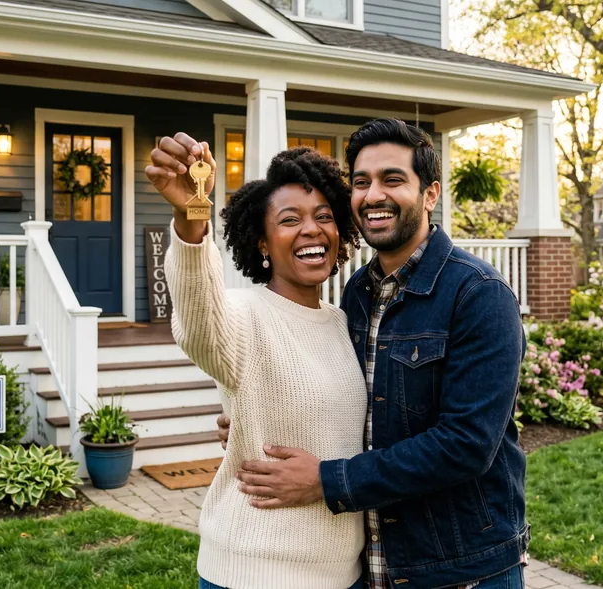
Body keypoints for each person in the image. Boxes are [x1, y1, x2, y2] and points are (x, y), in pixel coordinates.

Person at [222, 118, 529, 589]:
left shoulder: (477, 294)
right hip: (375, 565)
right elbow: (349, 400)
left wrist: (327, 481)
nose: (373, 195)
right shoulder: (357, 296)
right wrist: (260, 415)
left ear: (430, 194)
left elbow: (466, 444)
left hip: (459, 567)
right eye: (361, 182)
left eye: (393, 179)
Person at [147, 134, 367, 589]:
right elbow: (199, 316)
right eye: (290, 220)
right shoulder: (244, 316)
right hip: (255, 571)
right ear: (263, 244)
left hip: (343, 571)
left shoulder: (344, 322)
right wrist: (191, 215)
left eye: (324, 217)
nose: (311, 229)